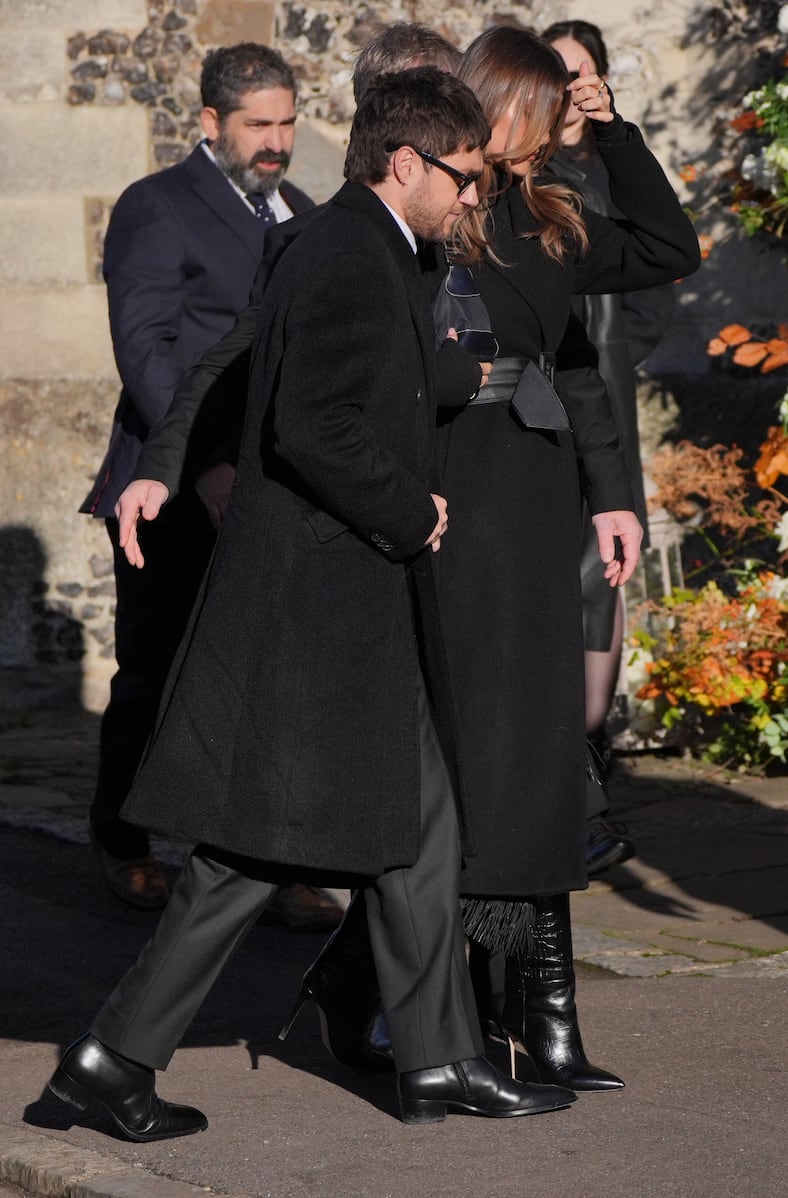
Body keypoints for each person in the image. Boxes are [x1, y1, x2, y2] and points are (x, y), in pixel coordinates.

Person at [47, 68, 576, 1140]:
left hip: (352, 594)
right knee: (251, 854)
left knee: (421, 826)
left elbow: (307, 380)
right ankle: (110, 1060)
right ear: (405, 163)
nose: (475, 197)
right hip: (318, 598)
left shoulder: (378, 246)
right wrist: (408, 508)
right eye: (464, 178)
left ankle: (436, 1061)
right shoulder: (344, 252)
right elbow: (309, 421)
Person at [421, 24, 700, 1089]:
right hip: (457, 494)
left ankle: (547, 1018)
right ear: (496, 110)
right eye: (541, 113)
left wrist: (614, 129)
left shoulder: (551, 215)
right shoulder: (438, 215)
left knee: (546, 758)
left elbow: (668, 253)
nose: (550, 137)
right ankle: (438, 1004)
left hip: (533, 497)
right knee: (478, 758)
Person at [80, 43, 339, 930]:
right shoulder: (157, 208)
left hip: (275, 484)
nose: (275, 142)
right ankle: (124, 840)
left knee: (272, 678)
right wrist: (202, 466)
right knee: (157, 671)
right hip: (170, 483)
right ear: (209, 124)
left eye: (286, 123)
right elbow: (145, 349)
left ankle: (262, 861)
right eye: (257, 125)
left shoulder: (303, 211)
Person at [543, 19, 678, 876]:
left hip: (600, 392)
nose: (567, 88)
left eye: (579, 72)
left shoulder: (609, 168)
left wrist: (611, 345)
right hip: (545, 396)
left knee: (603, 580)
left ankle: (586, 780)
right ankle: (566, 795)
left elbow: (661, 273)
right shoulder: (523, 174)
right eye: (552, 74)